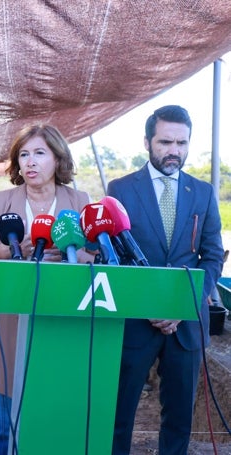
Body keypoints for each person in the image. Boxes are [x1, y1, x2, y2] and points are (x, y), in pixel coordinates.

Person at [0, 124, 93, 455]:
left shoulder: (80, 202)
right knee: (2, 426)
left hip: (60, 321)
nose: (30, 162)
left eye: (39, 153)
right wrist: (7, 251)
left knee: (52, 417)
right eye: (24, 154)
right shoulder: (0, 202)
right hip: (4, 322)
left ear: (57, 158)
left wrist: (76, 255)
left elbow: (97, 256)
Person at [108, 105, 224, 455]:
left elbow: (213, 256)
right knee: (119, 414)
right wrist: (147, 305)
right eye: (166, 142)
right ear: (147, 142)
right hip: (134, 323)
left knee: (178, 419)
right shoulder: (121, 189)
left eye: (182, 143)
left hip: (185, 326)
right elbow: (113, 258)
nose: (174, 150)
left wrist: (182, 307)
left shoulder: (202, 192)